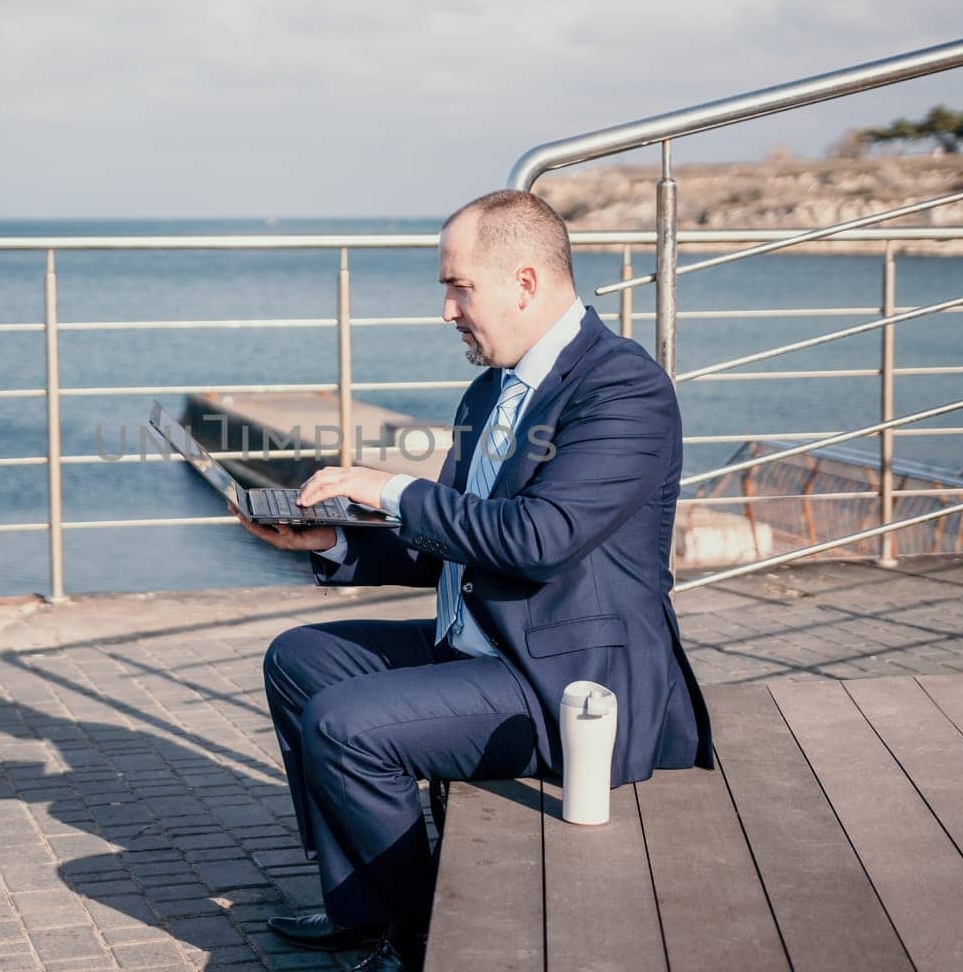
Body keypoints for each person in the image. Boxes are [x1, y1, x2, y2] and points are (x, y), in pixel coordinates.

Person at [232, 189, 712, 972]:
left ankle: (425, 938)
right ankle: (361, 908)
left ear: (524, 282)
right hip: (485, 649)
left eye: (460, 287)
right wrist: (331, 542)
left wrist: (387, 487)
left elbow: (538, 539)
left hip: (569, 680)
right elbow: (455, 544)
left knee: (345, 724)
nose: (447, 309)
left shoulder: (622, 390)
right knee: (299, 660)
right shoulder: (491, 390)